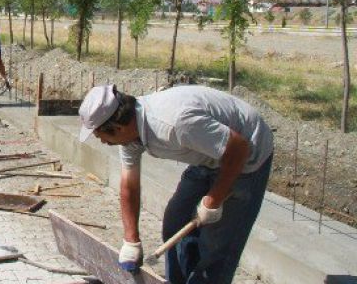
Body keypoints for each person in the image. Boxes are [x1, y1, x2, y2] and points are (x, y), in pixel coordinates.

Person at [77, 84, 274, 284]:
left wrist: (214, 199)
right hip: (208, 153)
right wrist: (131, 240)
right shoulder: (130, 136)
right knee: (175, 222)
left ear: (118, 128)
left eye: (101, 136)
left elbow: (239, 148)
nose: (102, 142)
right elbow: (129, 185)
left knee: (215, 247)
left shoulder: (176, 123)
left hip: (246, 157)